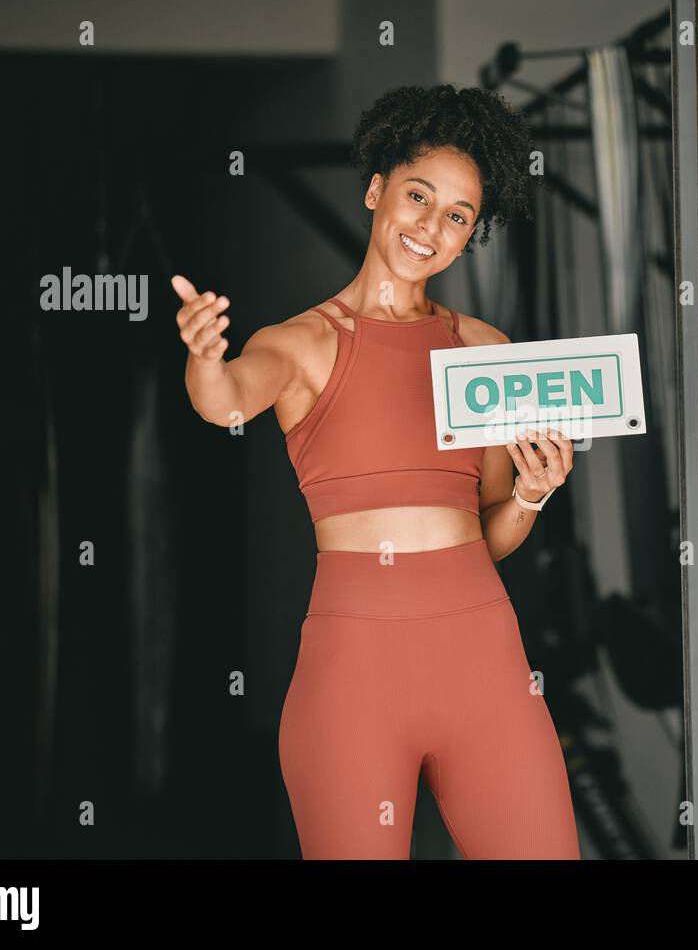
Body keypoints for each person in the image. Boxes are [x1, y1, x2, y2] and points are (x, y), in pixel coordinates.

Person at [173, 84, 581, 859]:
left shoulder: (486, 351)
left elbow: (485, 534)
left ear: (471, 234)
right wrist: (204, 358)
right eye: (417, 196)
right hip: (353, 685)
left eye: (457, 215)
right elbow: (224, 400)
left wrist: (530, 495)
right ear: (375, 189)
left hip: (488, 672)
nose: (431, 226)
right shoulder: (301, 344)